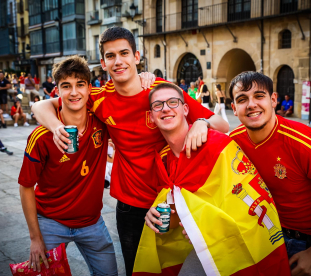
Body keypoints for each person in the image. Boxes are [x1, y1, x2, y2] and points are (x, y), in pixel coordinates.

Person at [31, 26, 229, 276]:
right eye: (111, 56)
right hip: (131, 206)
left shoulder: (161, 91)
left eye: (124, 53)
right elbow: (40, 106)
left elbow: (223, 125)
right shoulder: (99, 98)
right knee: (137, 271)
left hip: (173, 200)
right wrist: (58, 127)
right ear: (103, 63)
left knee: (180, 269)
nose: (118, 61)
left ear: (136, 56)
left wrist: (202, 122)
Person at [141, 82, 290, 275]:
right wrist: (155, 217)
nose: (166, 108)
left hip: (238, 250)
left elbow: (251, 205)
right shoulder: (163, 159)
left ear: (186, 109)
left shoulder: (218, 145)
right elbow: (179, 210)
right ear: (151, 117)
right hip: (200, 250)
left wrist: (208, 226)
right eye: (157, 105)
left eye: (172, 102)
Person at [228, 71, 311, 276]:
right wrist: (203, 122)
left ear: (273, 100)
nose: (251, 104)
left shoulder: (303, 143)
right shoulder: (233, 142)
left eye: (259, 96)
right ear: (234, 109)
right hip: (275, 237)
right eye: (242, 99)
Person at [18, 55, 117, 275]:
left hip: (92, 223)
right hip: (51, 224)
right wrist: (35, 238)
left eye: (80, 85)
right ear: (57, 91)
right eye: (66, 86)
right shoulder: (42, 136)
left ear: (89, 89)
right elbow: (25, 186)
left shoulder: (101, 124)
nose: (74, 92)